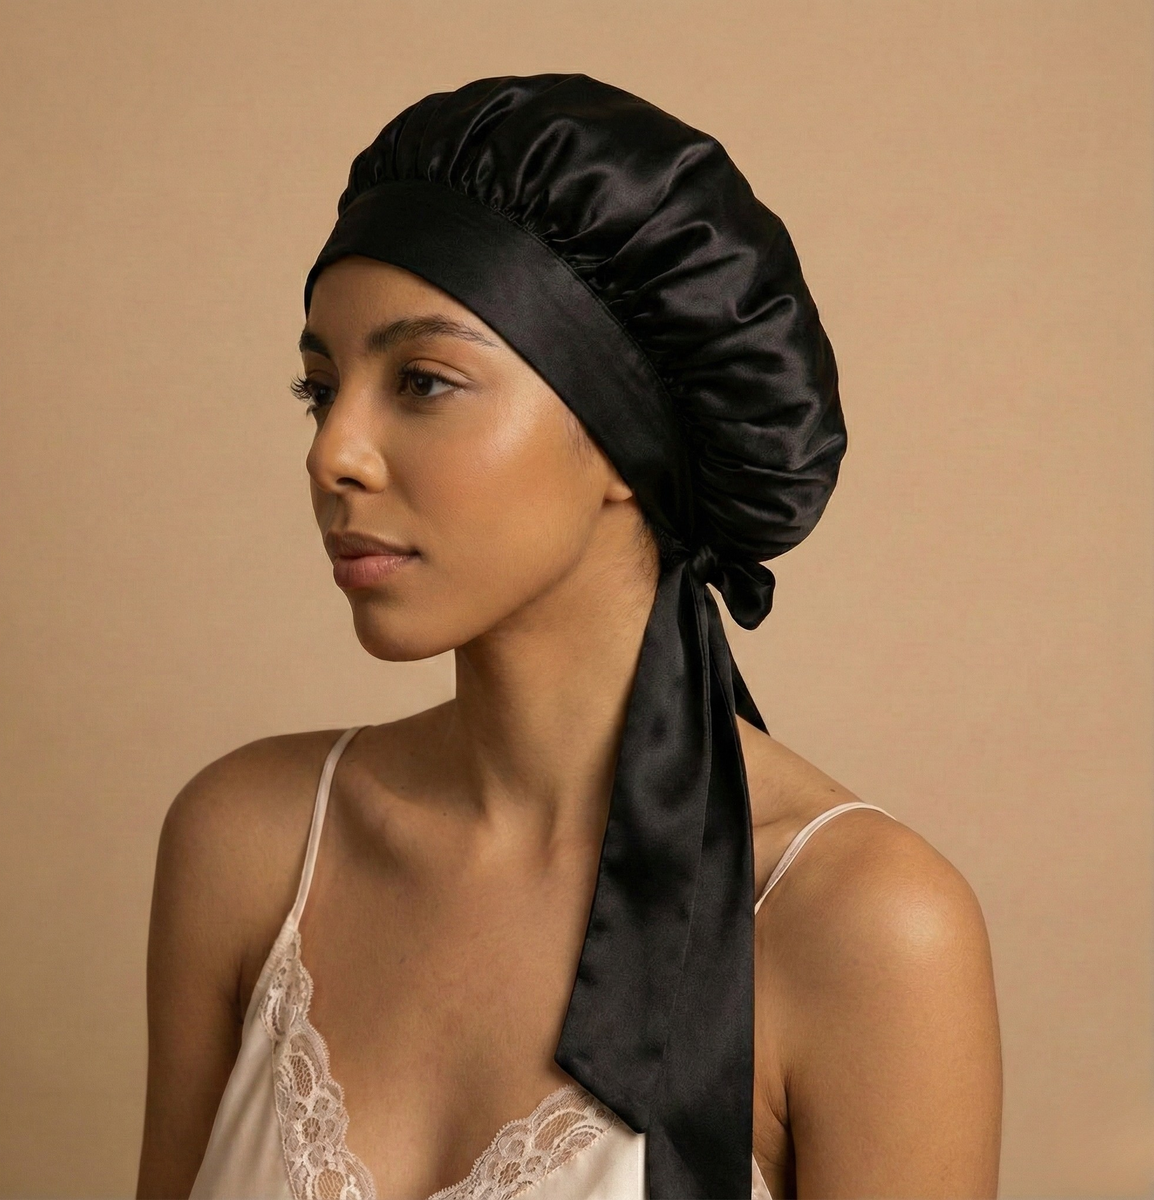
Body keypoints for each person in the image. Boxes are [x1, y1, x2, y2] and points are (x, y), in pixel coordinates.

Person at [136, 75, 1002, 1200]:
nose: (333, 453)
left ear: (620, 430)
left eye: (422, 382)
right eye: (319, 390)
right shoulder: (248, 845)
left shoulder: (865, 928)